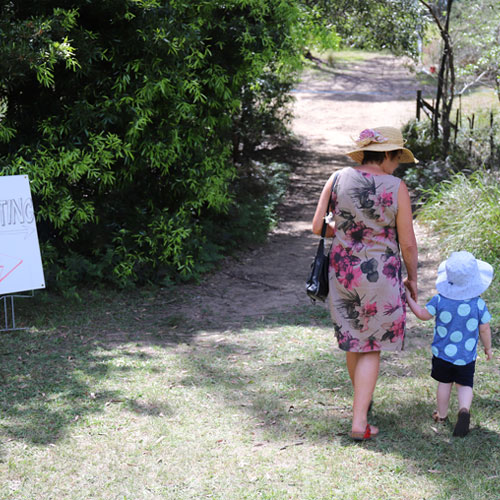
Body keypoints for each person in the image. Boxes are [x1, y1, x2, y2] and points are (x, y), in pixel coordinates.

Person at [312, 126, 419, 441]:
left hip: (343, 272)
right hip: (380, 275)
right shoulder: (395, 187)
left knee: (353, 338)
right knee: (371, 345)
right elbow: (409, 244)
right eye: (397, 158)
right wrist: (412, 278)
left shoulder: (337, 178)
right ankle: (360, 423)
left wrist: (347, 229)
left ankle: (362, 403)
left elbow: (318, 226)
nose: (397, 164)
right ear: (387, 155)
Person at [404, 251, 493, 437]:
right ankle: (464, 410)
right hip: (466, 355)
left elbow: (422, 315)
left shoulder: (439, 300)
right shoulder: (478, 304)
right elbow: (484, 329)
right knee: (465, 384)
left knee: (444, 383)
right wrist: (487, 347)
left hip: (443, 354)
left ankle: (442, 415)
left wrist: (409, 300)